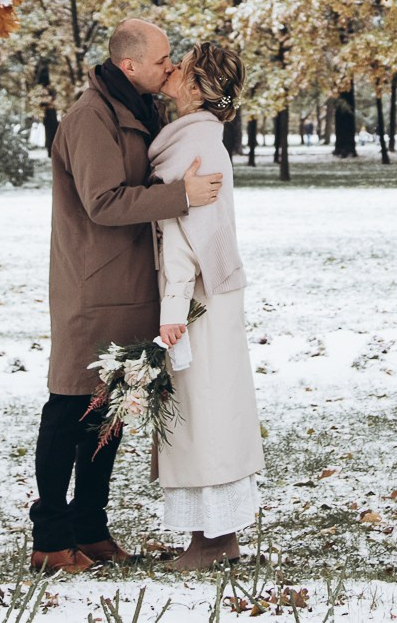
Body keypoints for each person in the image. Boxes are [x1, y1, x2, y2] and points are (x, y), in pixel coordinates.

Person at [31, 19, 222, 574]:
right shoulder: (92, 119)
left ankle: (90, 528)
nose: (171, 66)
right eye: (163, 59)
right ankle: (49, 537)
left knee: (108, 414)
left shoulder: (138, 112)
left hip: (130, 286)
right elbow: (105, 203)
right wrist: (179, 196)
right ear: (130, 65)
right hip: (93, 290)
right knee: (69, 408)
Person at [149, 41, 263, 570]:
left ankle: (214, 541)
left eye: (183, 67)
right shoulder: (196, 138)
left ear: (197, 88)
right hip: (212, 294)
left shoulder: (192, 147)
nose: (170, 69)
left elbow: (182, 236)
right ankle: (211, 535)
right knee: (206, 409)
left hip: (197, 299)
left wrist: (173, 309)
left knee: (204, 413)